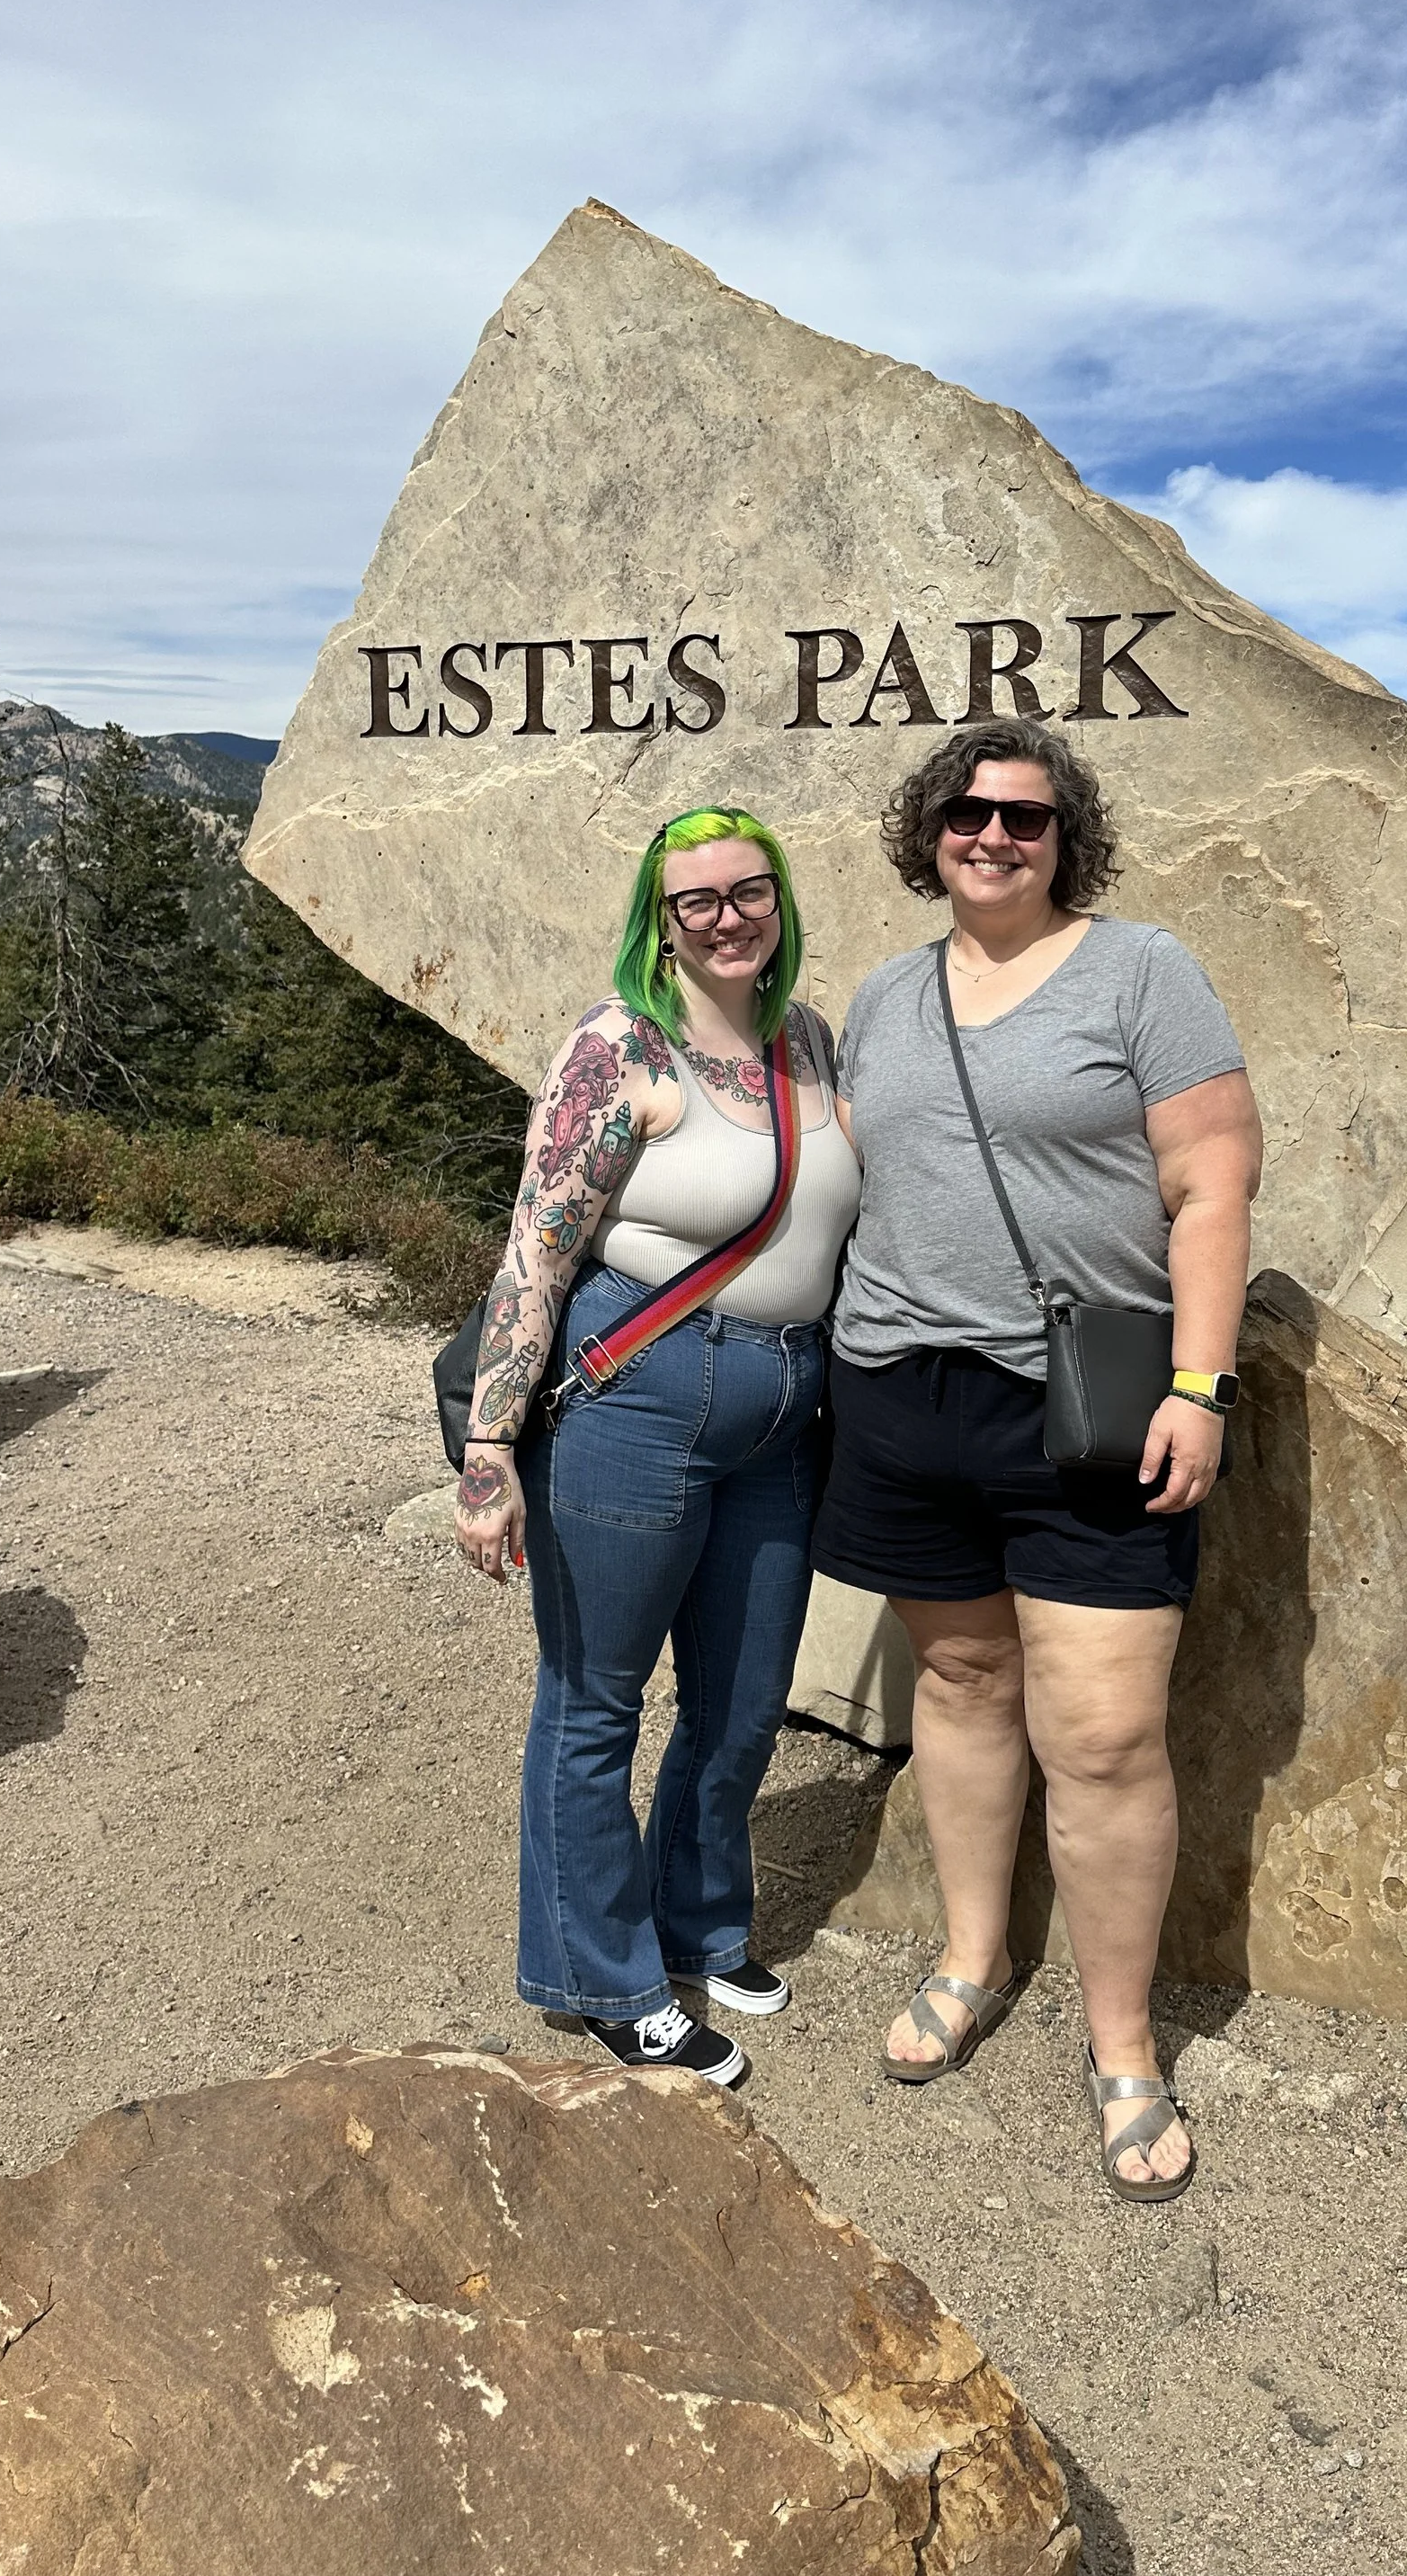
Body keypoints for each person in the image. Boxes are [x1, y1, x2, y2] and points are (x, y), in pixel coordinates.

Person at [812, 719, 1262, 2198]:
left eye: (1025, 816)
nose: (993, 836)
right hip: (900, 1394)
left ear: (1068, 838)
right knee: (960, 1682)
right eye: (966, 811)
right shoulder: (885, 996)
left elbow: (1209, 1187)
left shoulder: (1144, 974)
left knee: (1108, 1735)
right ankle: (971, 1953)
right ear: (926, 830)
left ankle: (1123, 2044)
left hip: (1087, 1410)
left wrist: (1202, 1383)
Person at [453, 808, 860, 2085]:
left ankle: (700, 1923)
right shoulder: (618, 1049)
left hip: (785, 1411)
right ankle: (603, 1974)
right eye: (699, 902)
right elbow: (536, 1248)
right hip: (639, 1397)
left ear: (780, 902)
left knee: (741, 1705)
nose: (729, 917)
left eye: (752, 892)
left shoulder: (803, 1039)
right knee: (596, 1706)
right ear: (661, 921)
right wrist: (489, 1446)